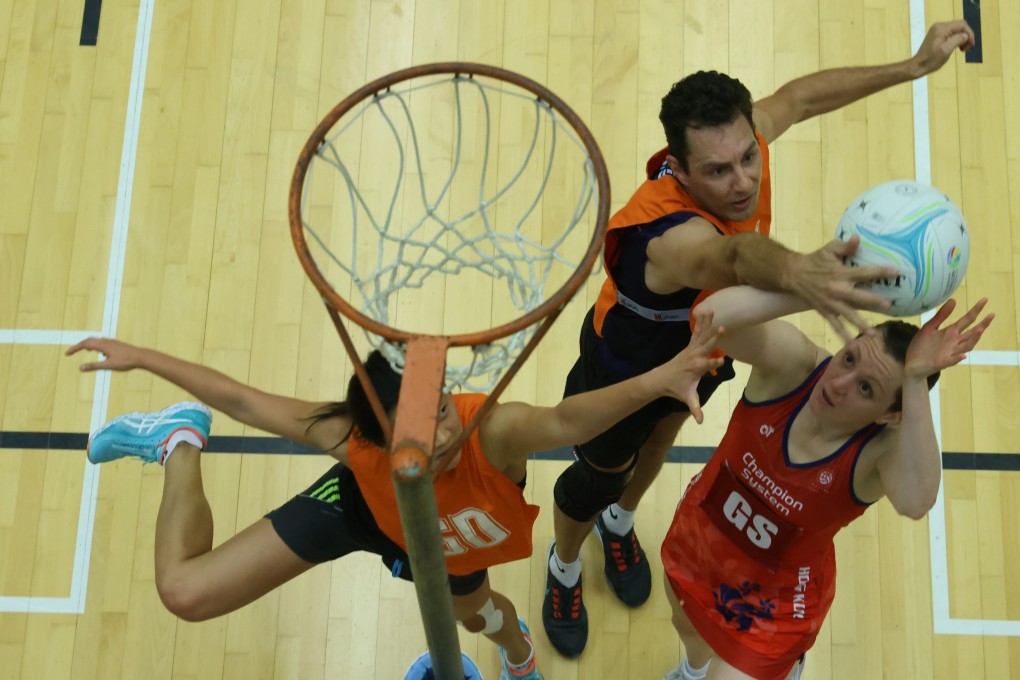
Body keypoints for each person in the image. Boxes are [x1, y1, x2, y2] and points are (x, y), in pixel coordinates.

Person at [542, 19, 977, 658]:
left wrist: (909, 68)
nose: (743, 180)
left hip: (709, 350)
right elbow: (738, 258)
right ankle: (564, 565)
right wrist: (801, 272)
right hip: (627, 364)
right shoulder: (669, 235)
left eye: (749, 156)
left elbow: (800, 99)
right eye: (718, 171)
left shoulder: (742, 148)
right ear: (680, 172)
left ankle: (622, 522)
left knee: (663, 438)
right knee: (597, 477)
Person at [66, 318, 723, 680]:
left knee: (479, 618)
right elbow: (242, 401)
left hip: (452, 545)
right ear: (377, 435)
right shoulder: (350, 439)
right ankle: (179, 441)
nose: (440, 433)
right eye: (417, 427)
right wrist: (146, 357)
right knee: (184, 592)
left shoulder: (489, 431)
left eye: (440, 409)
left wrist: (661, 378)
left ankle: (519, 658)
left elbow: (570, 420)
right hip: (368, 511)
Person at [658, 286, 993, 680]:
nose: (838, 384)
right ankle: (692, 671)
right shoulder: (794, 367)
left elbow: (916, 500)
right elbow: (708, 318)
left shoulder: (876, 451)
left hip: (774, 605)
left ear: (890, 416)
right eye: (848, 358)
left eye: (866, 388)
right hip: (699, 543)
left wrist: (916, 381)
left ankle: (786, 668)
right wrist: (814, 287)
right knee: (687, 629)